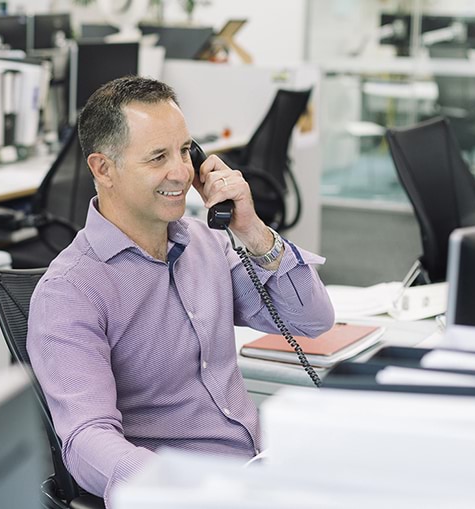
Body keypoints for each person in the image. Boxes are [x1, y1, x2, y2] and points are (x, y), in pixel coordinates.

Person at [27, 76, 334, 505]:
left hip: (265, 471)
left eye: (184, 151)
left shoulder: (207, 244)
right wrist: (181, 487)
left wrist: (251, 229)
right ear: (103, 169)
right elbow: (86, 439)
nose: (182, 172)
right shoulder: (70, 292)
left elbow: (312, 320)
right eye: (157, 158)